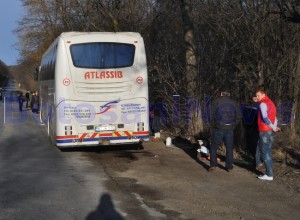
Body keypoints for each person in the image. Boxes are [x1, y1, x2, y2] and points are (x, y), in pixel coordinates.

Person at [208, 90, 241, 172]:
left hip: (218, 128)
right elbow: (239, 116)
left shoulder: (216, 102)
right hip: (230, 128)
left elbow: (210, 115)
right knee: (229, 148)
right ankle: (229, 166)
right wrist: (233, 125)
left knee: (214, 147)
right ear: (229, 94)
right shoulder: (234, 103)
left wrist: (214, 125)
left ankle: (213, 165)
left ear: (221, 94)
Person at [254, 86, 280, 181]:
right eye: (256, 95)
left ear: (263, 94)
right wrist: (274, 127)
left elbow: (265, 118)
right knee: (267, 151)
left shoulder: (263, 104)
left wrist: (273, 127)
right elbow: (275, 118)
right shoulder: (271, 103)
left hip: (265, 130)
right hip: (270, 131)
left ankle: (269, 174)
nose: (257, 97)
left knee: (265, 153)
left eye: (259, 95)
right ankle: (269, 173)